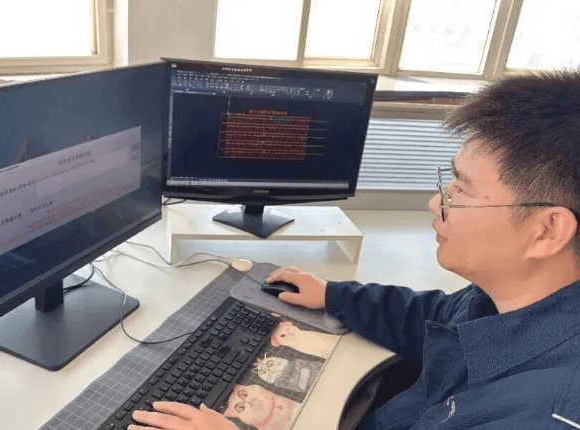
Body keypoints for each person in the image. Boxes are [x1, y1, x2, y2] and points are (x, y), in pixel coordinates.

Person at [128, 69, 580, 430]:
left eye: (459, 190)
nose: (435, 202)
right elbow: (433, 316)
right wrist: (335, 296)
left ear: (547, 231)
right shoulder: (505, 297)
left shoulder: (541, 414)